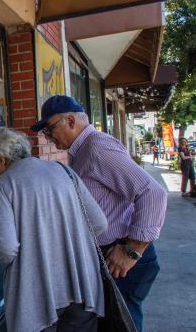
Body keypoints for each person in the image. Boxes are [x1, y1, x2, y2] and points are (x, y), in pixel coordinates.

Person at [31, 95, 167, 332]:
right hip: (109, 254)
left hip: (121, 256)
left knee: (121, 325)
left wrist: (132, 249)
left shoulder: (96, 147)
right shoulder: (83, 150)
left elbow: (152, 193)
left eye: (50, 128)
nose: (48, 136)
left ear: (71, 121)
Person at [0, 128, 107, 332]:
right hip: (82, 281)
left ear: (1, 159)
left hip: (36, 292)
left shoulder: (3, 185)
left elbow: (5, 249)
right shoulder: (64, 171)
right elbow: (99, 223)